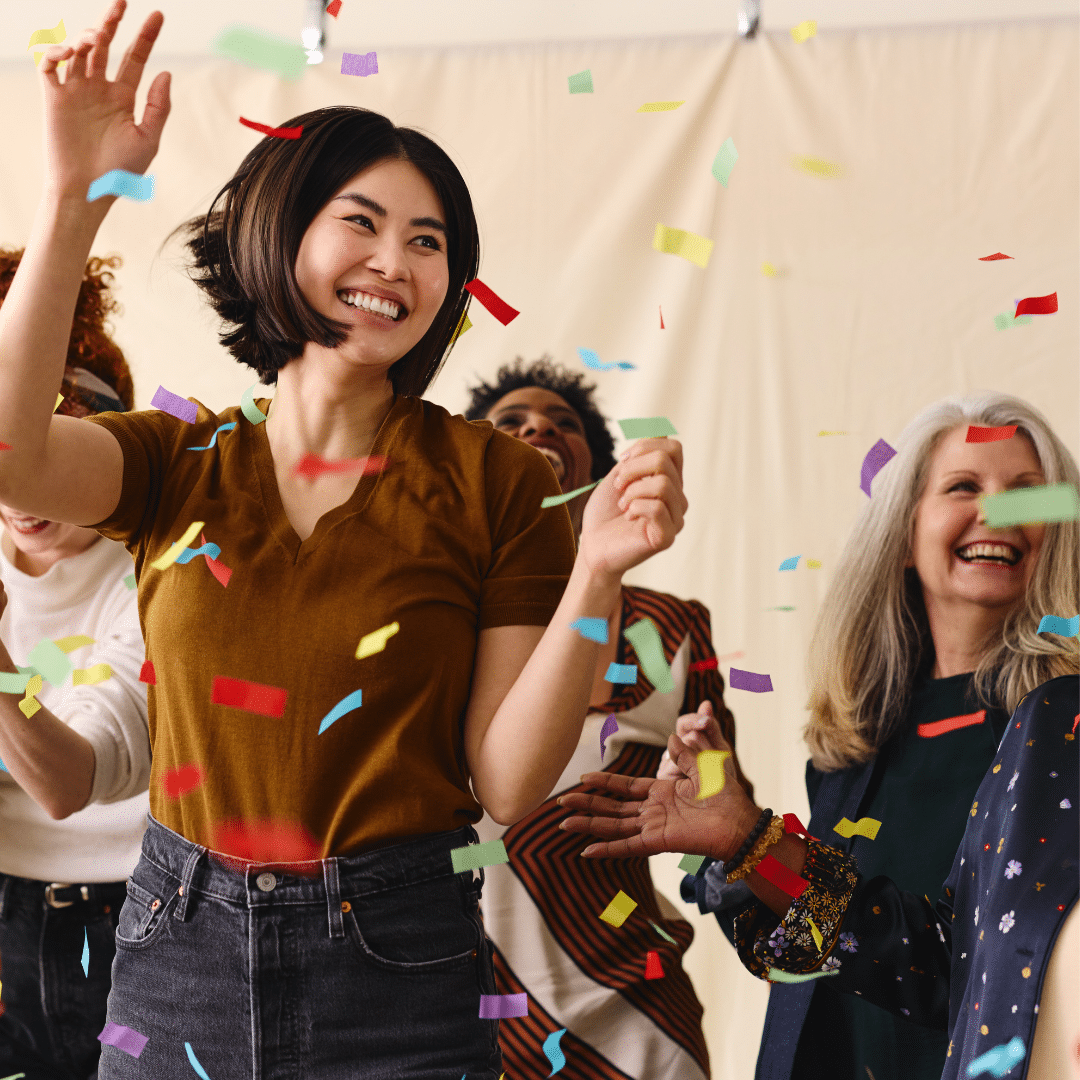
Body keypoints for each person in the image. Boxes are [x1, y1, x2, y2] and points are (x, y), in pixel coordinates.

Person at [0, 5, 686, 1077]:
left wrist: (595, 569)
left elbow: (506, 784)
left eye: (429, 242)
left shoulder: (496, 480)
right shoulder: (174, 461)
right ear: (283, 230)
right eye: (360, 222)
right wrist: (74, 201)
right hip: (175, 941)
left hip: (396, 954)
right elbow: (10, 451)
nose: (394, 261)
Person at [559, 392, 1079, 1080]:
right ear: (902, 534)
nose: (996, 511)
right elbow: (809, 958)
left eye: (1027, 494)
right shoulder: (858, 739)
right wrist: (735, 856)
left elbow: (953, 966)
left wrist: (757, 844)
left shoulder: (1062, 728)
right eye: (963, 486)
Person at [464, 358, 752, 1080]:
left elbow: (726, 818)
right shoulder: (436, 617)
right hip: (464, 1029)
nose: (539, 427)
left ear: (596, 473)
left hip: (639, 1023)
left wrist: (711, 788)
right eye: (512, 421)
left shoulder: (672, 630)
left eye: (566, 424)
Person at [0, 249, 149, 1078]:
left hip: (124, 925)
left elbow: (70, 780)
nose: (22, 491)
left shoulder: (161, 577)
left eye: (48, 454)